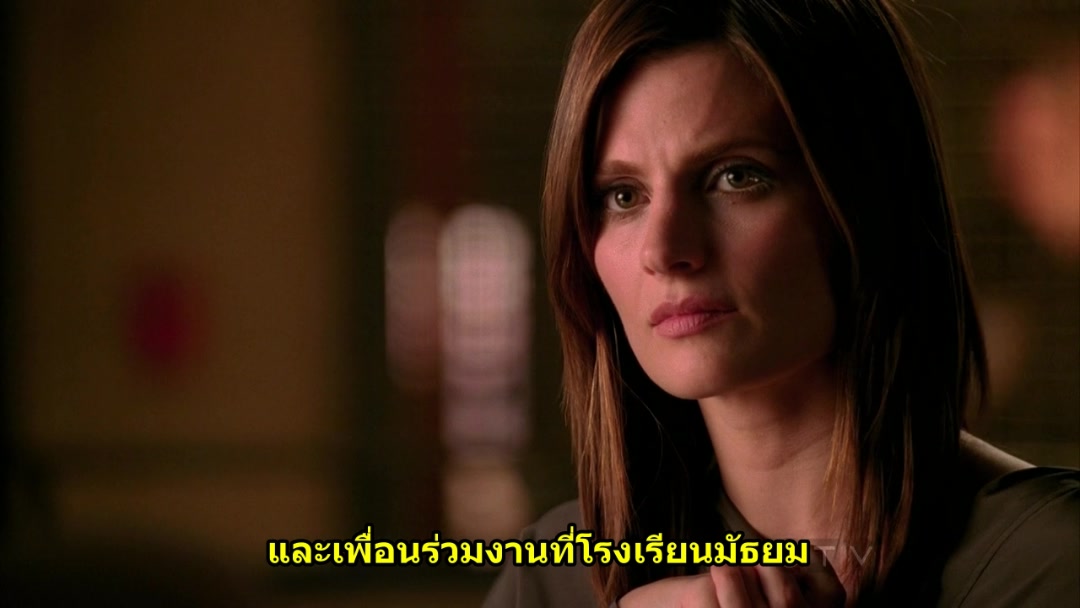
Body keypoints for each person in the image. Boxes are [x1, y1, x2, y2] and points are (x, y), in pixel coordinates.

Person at [484, 1, 1080, 606]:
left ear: (860, 200)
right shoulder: (553, 578)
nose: (664, 251)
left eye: (735, 177)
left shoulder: (1050, 567)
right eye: (622, 196)